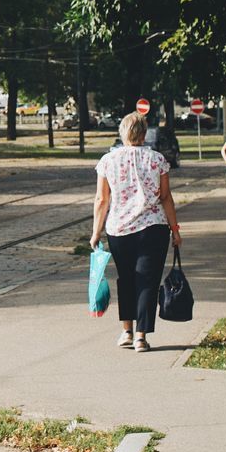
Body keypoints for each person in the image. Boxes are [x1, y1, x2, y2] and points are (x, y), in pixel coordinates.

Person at [90, 111, 181, 352]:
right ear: (144, 133)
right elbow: (165, 197)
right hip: (153, 229)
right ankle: (141, 337)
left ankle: (127, 332)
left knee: (127, 280)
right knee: (148, 282)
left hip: (119, 229)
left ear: (123, 133)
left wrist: (96, 232)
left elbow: (102, 199)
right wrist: (175, 229)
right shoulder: (157, 160)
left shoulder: (108, 161)